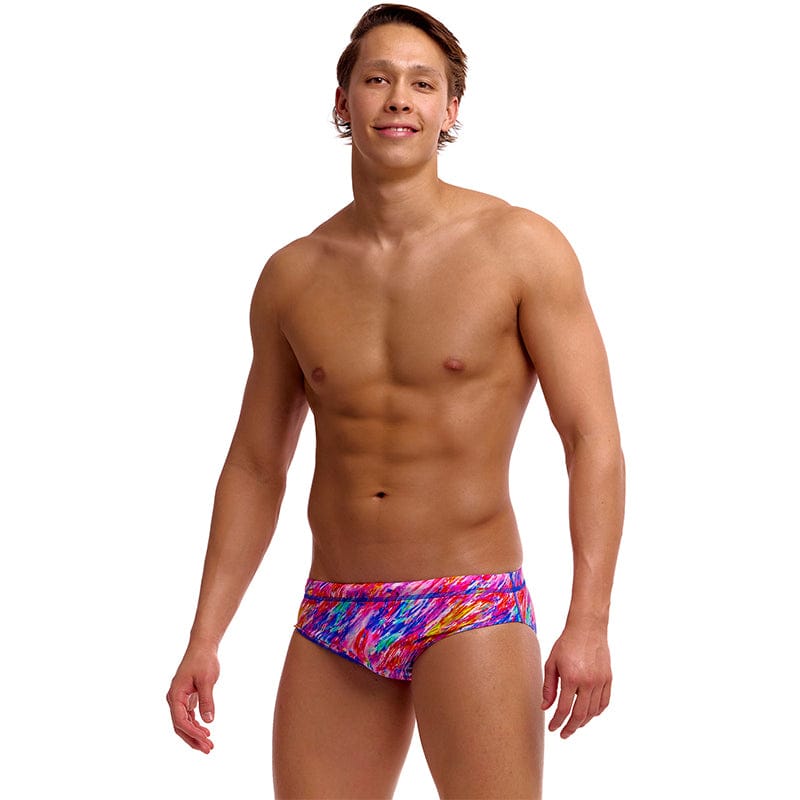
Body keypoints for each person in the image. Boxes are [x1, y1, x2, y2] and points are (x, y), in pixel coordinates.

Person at [167, 4, 625, 798]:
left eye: (422, 83)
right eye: (377, 79)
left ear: (451, 110)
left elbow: (593, 439)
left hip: (469, 603)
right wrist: (204, 635)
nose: (399, 99)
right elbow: (255, 465)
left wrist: (589, 620)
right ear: (342, 101)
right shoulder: (293, 275)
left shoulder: (519, 246)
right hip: (333, 612)